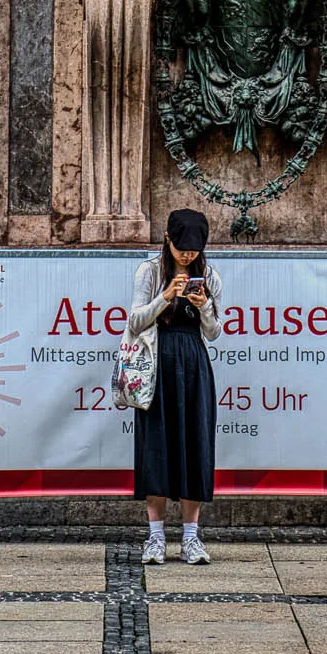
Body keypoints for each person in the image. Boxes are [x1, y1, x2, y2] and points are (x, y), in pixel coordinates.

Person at [129, 207, 223, 565]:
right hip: (156, 363)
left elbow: (214, 334)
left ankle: (190, 537)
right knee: (156, 447)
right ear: (167, 239)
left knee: (194, 444)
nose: (187, 255)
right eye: (182, 247)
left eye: (195, 249)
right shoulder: (150, 271)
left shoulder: (209, 275)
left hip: (194, 364)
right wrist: (166, 296)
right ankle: (155, 538)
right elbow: (135, 320)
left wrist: (204, 308)